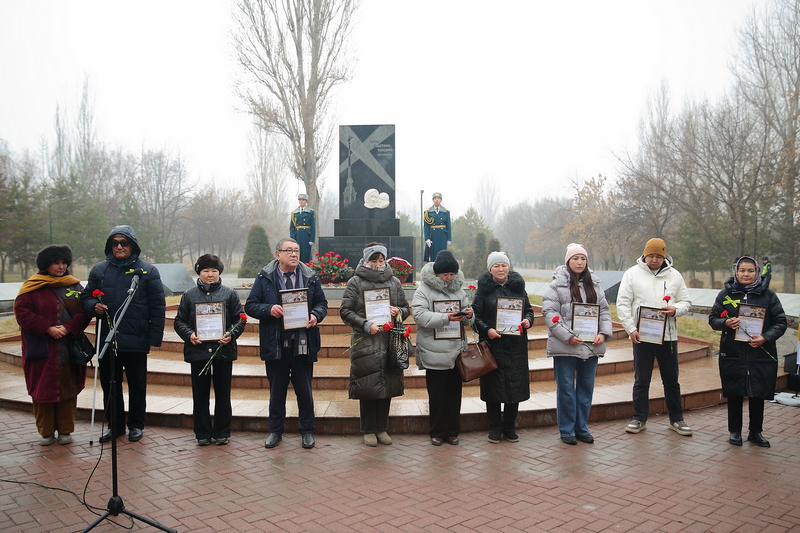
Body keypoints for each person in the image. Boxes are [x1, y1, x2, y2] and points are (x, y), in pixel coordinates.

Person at [82, 225, 166, 443]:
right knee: (110, 385)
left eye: (124, 243)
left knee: (137, 386)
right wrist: (93, 306)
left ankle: (136, 425)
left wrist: (153, 338)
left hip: (136, 339)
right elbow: (86, 297)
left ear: (133, 245)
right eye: (115, 243)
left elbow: (158, 307)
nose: (119, 247)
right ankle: (115, 425)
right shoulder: (99, 270)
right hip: (108, 339)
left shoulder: (147, 271)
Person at [245, 237, 327, 449]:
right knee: (277, 391)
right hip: (276, 343)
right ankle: (275, 431)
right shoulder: (265, 277)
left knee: (304, 391)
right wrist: (268, 309)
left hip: (302, 343)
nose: (294, 254)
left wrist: (315, 315)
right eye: (289, 250)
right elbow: (251, 305)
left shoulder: (310, 277)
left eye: (296, 251)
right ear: (277, 254)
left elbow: (322, 303)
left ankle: (307, 431)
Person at [14, 245, 91, 445]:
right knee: (42, 390)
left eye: (64, 263)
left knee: (68, 389)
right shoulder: (31, 287)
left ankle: (66, 430)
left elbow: (84, 312)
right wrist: (47, 328)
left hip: (68, 349)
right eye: (56, 263)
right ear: (46, 264)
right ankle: (46, 431)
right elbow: (22, 313)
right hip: (41, 350)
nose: (61, 267)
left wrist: (67, 328)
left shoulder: (75, 287)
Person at [617, 238, 692, 436]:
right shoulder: (632, 274)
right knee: (642, 379)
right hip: (642, 335)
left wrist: (675, 309)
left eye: (659, 256)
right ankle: (639, 418)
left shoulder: (674, 276)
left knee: (671, 380)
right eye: (651, 255)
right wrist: (631, 328)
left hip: (668, 336)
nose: (654, 259)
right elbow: (623, 303)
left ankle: (677, 419)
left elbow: (686, 302)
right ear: (645, 255)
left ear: (664, 256)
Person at [709, 256, 786, 447]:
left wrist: (765, 337)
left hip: (760, 351)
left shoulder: (768, 295)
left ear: (757, 272)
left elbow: (780, 322)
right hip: (733, 352)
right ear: (736, 271)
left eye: (750, 271)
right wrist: (725, 323)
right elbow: (713, 319)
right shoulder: (725, 295)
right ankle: (735, 431)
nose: (746, 274)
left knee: (757, 392)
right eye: (742, 270)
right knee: (735, 391)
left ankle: (755, 432)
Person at [340, 242, 410, 447]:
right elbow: (345, 311)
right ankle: (368, 429)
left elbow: (406, 308)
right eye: (374, 260)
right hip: (366, 340)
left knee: (387, 384)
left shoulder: (394, 282)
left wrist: (399, 311)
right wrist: (365, 324)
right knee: (367, 384)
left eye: (381, 260)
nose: (378, 264)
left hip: (389, 341)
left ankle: (382, 428)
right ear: (366, 260)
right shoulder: (355, 282)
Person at [542, 244, 612, 445]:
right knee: (566, 388)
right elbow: (550, 313)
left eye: (583, 258)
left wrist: (603, 333)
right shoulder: (556, 286)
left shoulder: (595, 285)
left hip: (590, 346)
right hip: (565, 346)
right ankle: (567, 430)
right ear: (567, 261)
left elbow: (604, 312)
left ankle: (582, 428)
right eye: (575, 258)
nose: (579, 262)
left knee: (586, 387)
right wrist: (567, 336)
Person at [174, 255, 245, 446]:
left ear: (219, 272)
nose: (210, 274)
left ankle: (222, 431)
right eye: (206, 271)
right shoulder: (189, 295)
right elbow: (179, 321)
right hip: (198, 351)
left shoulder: (229, 294)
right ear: (199, 272)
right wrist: (189, 335)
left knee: (223, 394)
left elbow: (240, 319)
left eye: (214, 271)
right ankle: (202, 433)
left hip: (223, 350)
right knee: (200, 394)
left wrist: (231, 334)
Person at [472, 251, 533, 443]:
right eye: (496, 266)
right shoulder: (483, 290)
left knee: (515, 386)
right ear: (490, 269)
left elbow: (529, 310)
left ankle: (509, 426)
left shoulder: (518, 288)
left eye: (504, 265)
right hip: (493, 345)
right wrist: (487, 330)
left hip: (516, 346)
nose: (501, 269)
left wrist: (527, 321)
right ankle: (494, 427)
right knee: (493, 388)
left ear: (509, 267)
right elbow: (475, 316)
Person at [412, 250, 472, 446]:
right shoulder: (423, 290)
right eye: (445, 274)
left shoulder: (459, 291)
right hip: (434, 351)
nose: (449, 278)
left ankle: (453, 431)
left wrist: (470, 315)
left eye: (452, 274)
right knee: (437, 396)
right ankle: (437, 432)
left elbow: (469, 318)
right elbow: (419, 316)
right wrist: (446, 318)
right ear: (437, 273)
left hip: (456, 351)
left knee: (454, 395)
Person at [423, 192, 451, 262]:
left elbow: (448, 225)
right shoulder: (428, 212)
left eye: (438, 198)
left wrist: (449, 238)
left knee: (443, 254)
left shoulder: (446, 212)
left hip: (442, 235)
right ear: (433, 200)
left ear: (441, 200)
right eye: (435, 198)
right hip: (433, 235)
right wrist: (427, 238)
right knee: (434, 255)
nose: (437, 200)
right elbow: (426, 226)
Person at [290, 193, 316, 264]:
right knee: (297, 253)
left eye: (303, 200)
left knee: (306, 254)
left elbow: (313, 227)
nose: (301, 201)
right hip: (297, 235)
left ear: (306, 201)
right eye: (300, 200)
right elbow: (292, 227)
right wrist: (292, 238)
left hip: (306, 236)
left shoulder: (311, 212)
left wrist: (312, 239)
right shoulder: (294, 213)